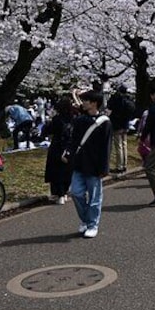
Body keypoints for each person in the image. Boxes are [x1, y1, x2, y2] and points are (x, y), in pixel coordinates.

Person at [62, 90, 111, 238]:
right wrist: (68, 152)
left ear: (94, 103)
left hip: (94, 165)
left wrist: (104, 167)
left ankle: (92, 224)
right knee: (76, 193)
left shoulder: (105, 122)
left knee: (95, 197)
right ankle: (85, 219)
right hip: (79, 163)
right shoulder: (80, 120)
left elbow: (106, 147)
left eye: (85, 101)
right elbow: (74, 139)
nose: (82, 103)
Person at [44, 97, 74, 205]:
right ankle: (65, 193)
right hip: (70, 147)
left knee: (56, 171)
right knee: (67, 171)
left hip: (57, 147)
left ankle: (59, 194)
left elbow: (48, 130)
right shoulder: (73, 118)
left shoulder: (57, 119)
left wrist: (48, 121)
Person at [108, 85, 135, 174]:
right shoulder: (129, 99)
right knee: (124, 144)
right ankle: (124, 165)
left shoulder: (117, 99)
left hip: (117, 124)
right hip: (126, 124)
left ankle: (119, 166)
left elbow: (109, 105)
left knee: (118, 146)